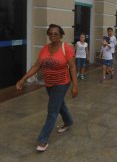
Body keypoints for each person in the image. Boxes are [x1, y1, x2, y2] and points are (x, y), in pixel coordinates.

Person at [16, 24, 78, 152]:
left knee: (52, 111)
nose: (52, 36)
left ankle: (43, 140)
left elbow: (72, 67)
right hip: (48, 83)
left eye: (55, 33)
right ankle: (68, 121)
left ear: (61, 35)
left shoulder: (66, 48)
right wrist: (23, 78)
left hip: (62, 82)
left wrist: (75, 86)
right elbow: (37, 66)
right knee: (59, 104)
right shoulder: (45, 48)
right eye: (50, 33)